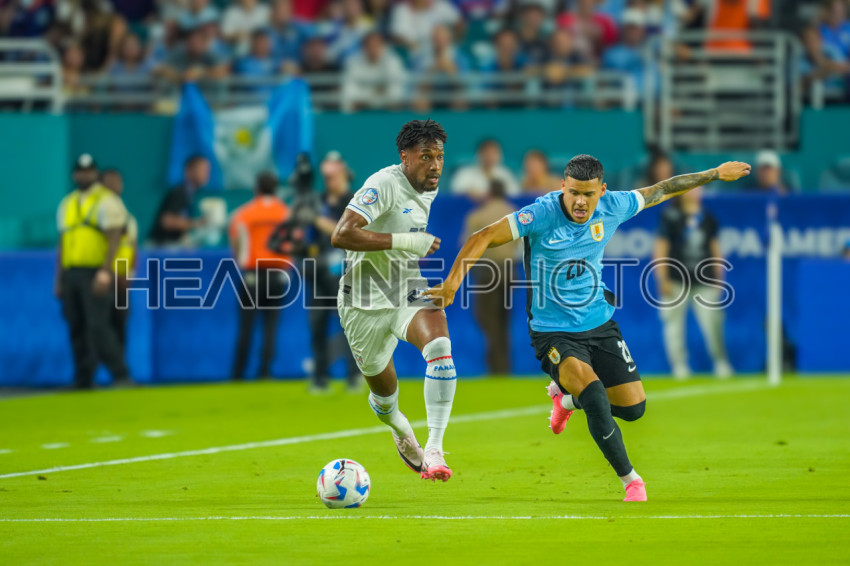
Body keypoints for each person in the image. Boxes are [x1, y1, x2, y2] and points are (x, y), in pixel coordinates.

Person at [426, 154, 751, 501]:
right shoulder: (541, 213)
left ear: (602, 191)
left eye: (589, 194)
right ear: (562, 187)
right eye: (574, 193)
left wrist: (715, 173)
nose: (580, 202)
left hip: (599, 323)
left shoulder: (614, 205)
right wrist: (452, 284)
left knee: (633, 410)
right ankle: (631, 481)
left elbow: (663, 189)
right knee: (595, 395)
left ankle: (565, 399)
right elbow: (483, 236)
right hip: (552, 331)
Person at [330, 119, 456, 482]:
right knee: (385, 402)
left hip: (406, 288)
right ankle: (401, 431)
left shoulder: (428, 185)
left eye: (440, 156)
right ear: (405, 156)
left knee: (440, 347)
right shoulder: (383, 184)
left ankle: (435, 449)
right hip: (362, 303)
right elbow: (341, 235)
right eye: (426, 156)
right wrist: (405, 241)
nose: (435, 165)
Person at [55, 154, 132, 389]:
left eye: (89, 171)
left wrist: (110, 272)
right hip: (74, 271)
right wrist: (59, 279)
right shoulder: (68, 203)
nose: (84, 175)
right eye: (80, 171)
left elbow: (120, 242)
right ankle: (83, 378)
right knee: (77, 325)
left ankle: (121, 374)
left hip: (101, 273)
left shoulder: (109, 203)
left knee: (102, 325)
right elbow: (63, 243)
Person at [654, 187, 733, 379]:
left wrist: (719, 278)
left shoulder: (708, 218)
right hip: (676, 280)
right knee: (674, 324)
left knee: (713, 323)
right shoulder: (670, 216)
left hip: (704, 280)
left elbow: (715, 249)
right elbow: (661, 248)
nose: (694, 192)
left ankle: (720, 361)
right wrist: (662, 278)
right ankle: (679, 365)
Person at [228, 171, 291, 380]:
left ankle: (238, 373)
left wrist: (242, 260)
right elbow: (294, 242)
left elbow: (236, 243)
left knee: (246, 325)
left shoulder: (244, 213)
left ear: (257, 188)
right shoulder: (285, 213)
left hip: (252, 275)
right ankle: (265, 371)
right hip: (278, 274)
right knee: (271, 325)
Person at [306, 152, 361, 392]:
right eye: (328, 177)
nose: (331, 181)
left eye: (335, 175)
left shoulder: (355, 200)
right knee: (317, 325)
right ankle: (320, 377)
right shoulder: (318, 201)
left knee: (351, 326)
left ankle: (354, 376)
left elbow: (347, 231)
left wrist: (317, 220)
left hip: (347, 271)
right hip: (319, 272)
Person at [461, 180, 518, 375]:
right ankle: (503, 364)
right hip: (509, 270)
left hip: (488, 272)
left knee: (486, 318)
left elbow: (467, 245)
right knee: (503, 320)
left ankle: (497, 365)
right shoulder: (514, 213)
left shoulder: (478, 216)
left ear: (488, 194)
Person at [100, 168, 138, 352]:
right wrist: (106, 272)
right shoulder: (98, 210)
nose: (115, 185)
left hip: (122, 279)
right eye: (110, 181)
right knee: (100, 324)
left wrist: (130, 273)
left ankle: (120, 366)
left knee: (121, 321)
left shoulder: (127, 214)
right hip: (104, 277)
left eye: (118, 181)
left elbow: (132, 246)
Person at [149, 155, 210, 246]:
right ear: (189, 170)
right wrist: (197, 223)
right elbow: (166, 221)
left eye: (207, 170)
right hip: (159, 247)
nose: (206, 174)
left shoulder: (190, 193)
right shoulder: (179, 192)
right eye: (202, 170)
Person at [450, 138, 520, 200]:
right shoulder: (465, 173)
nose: (490, 156)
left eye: (494, 153)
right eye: (487, 153)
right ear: (479, 154)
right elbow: (455, 191)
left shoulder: (505, 174)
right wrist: (469, 192)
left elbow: (515, 193)